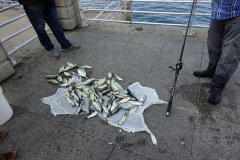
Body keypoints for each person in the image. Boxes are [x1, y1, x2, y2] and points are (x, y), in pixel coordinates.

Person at [193, 0, 240, 104]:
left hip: (237, 14)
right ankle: (212, 71)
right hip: (217, 11)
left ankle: (218, 84)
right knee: (213, 45)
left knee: (230, 53)